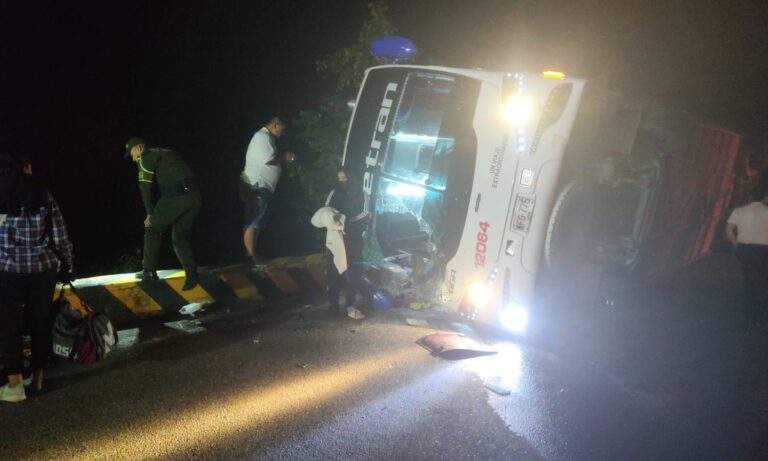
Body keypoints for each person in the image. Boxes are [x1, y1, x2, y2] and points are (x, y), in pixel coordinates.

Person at [0, 154, 74, 402]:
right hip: (43, 269)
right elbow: (60, 234)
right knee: (39, 321)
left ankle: (15, 384)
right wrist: (69, 263)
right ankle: (38, 378)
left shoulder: (3, 195)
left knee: (9, 324)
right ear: (26, 168)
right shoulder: (43, 194)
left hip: (9, 269)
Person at [125, 137, 201, 290]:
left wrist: (149, 214)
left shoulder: (145, 157)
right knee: (179, 237)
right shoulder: (166, 152)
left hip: (176, 196)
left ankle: (149, 271)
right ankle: (192, 276)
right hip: (195, 196)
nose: (133, 159)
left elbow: (145, 189)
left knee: (152, 228)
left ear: (139, 148)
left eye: (131, 154)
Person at [239, 117, 295, 267]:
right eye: (281, 130)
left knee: (256, 220)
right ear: (275, 125)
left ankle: (251, 253)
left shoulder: (263, 137)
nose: (281, 134)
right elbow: (267, 159)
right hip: (257, 184)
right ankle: (251, 256)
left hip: (261, 185)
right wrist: (285, 157)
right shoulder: (262, 137)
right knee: (254, 219)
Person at [324, 169, 370, 316]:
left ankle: (351, 303)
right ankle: (333, 305)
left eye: (345, 178)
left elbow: (364, 213)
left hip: (354, 238)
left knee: (355, 271)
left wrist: (347, 220)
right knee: (333, 272)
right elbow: (326, 210)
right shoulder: (334, 193)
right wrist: (335, 220)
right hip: (336, 239)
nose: (343, 181)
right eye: (340, 179)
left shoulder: (362, 194)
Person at [726, 184, 768, 329]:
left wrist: (736, 243)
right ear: (765, 197)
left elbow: (729, 230)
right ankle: (759, 316)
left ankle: (748, 314)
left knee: (749, 279)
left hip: (744, 249)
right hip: (763, 249)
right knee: (762, 281)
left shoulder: (739, 211)